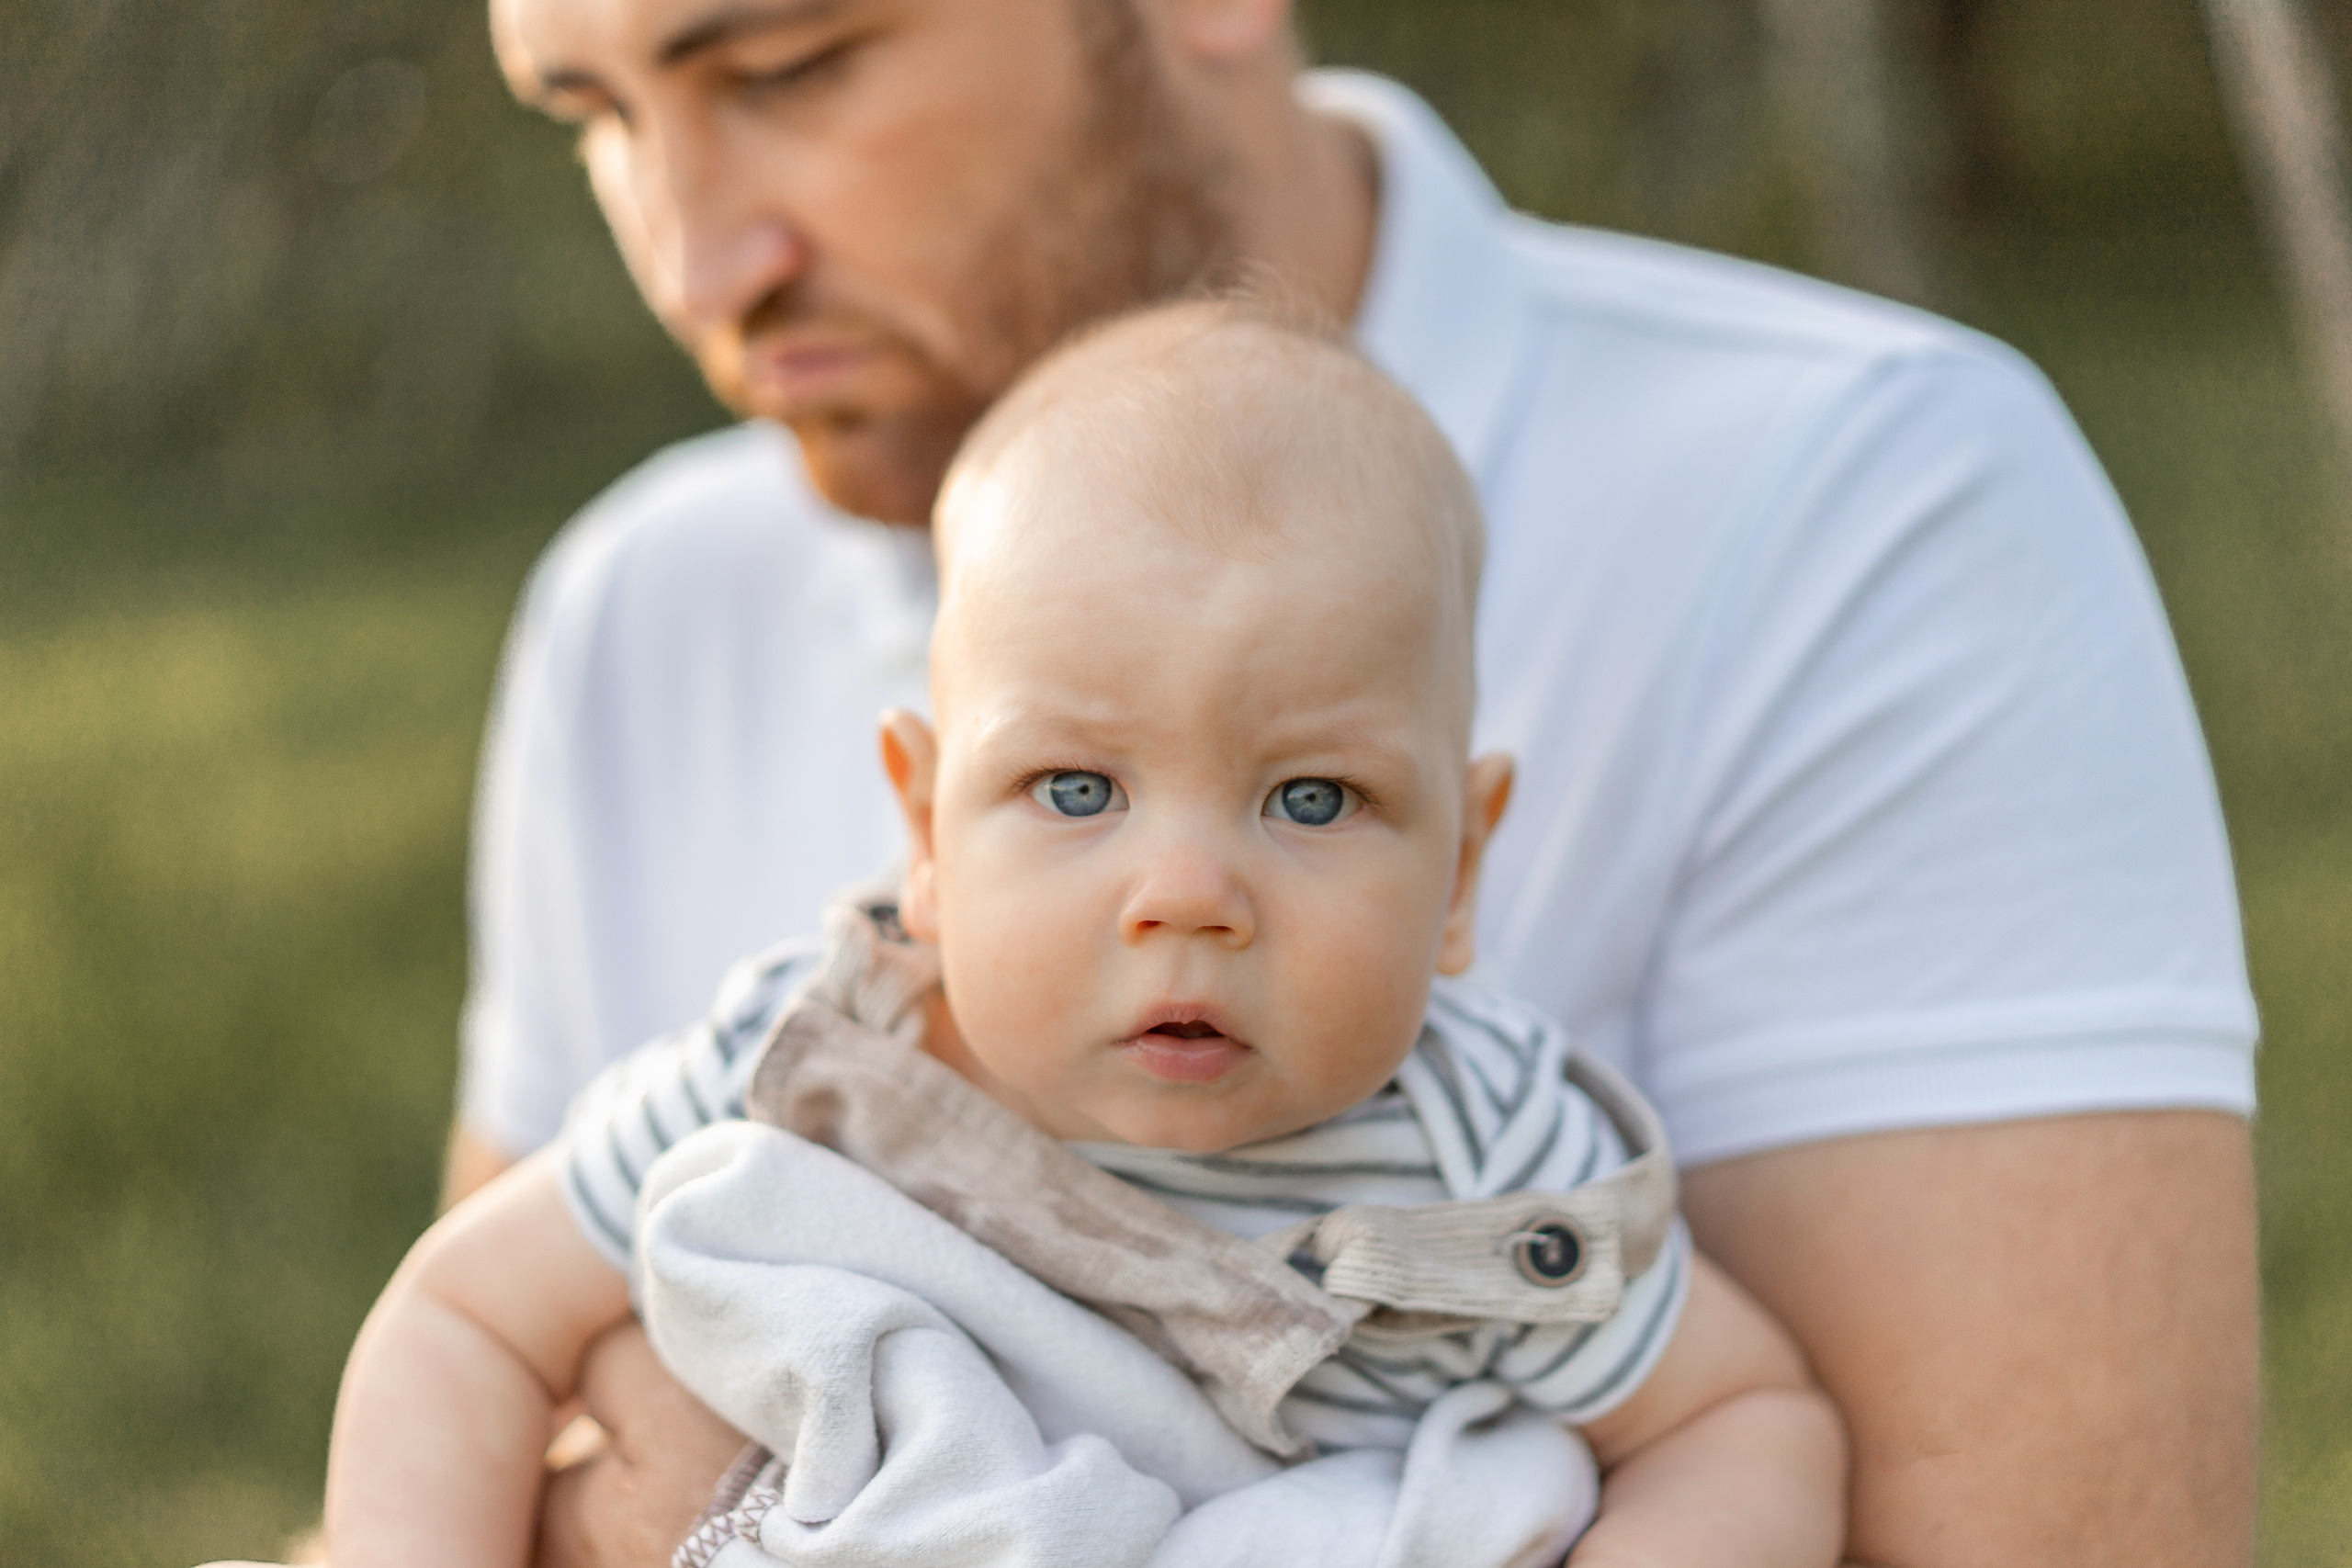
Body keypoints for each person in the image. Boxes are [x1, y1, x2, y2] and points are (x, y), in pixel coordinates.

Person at [456, 0, 2261, 1562]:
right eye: (594, 121)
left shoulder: (1859, 512)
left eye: (788, 65)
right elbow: (467, 1392)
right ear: (916, 811)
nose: (696, 265)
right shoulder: (634, 610)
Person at [324, 303, 1845, 1568]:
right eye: (1075, 787)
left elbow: (1738, 1420)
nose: (1186, 893)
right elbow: (467, 1313)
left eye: (1312, 797)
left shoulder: (1484, 1164)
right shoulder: (817, 1064)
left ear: (1459, 873)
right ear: (925, 834)